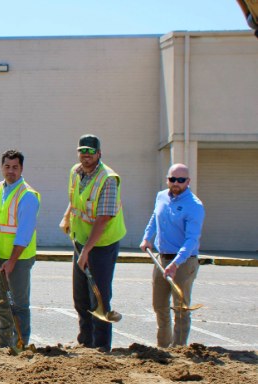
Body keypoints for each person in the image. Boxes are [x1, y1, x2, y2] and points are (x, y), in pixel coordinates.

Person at [59, 134, 126, 352]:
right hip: (80, 240)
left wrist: (87, 252)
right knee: (80, 297)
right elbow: (74, 199)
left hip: (102, 245)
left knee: (98, 297)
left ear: (99, 154)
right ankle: (85, 342)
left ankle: (101, 347)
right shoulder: (75, 171)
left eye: (90, 151)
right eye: (82, 151)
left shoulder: (108, 179)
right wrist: (67, 217)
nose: (86, 155)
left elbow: (103, 219)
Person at [140, 163, 205, 347]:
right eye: (172, 179)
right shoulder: (161, 196)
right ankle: (163, 346)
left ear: (188, 181)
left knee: (180, 308)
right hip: (162, 258)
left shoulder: (194, 206)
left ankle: (179, 349)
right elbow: (154, 218)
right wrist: (147, 237)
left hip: (184, 262)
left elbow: (191, 240)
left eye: (181, 180)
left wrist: (176, 263)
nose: (176, 183)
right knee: (159, 305)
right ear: (167, 179)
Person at [0, 149, 40, 348]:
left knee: (19, 305)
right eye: (7, 166)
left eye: (15, 167)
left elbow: (24, 234)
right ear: (1, 167)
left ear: (21, 169)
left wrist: (12, 261)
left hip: (19, 259)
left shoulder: (28, 196)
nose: (11, 171)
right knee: (2, 302)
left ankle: (20, 346)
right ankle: (5, 344)